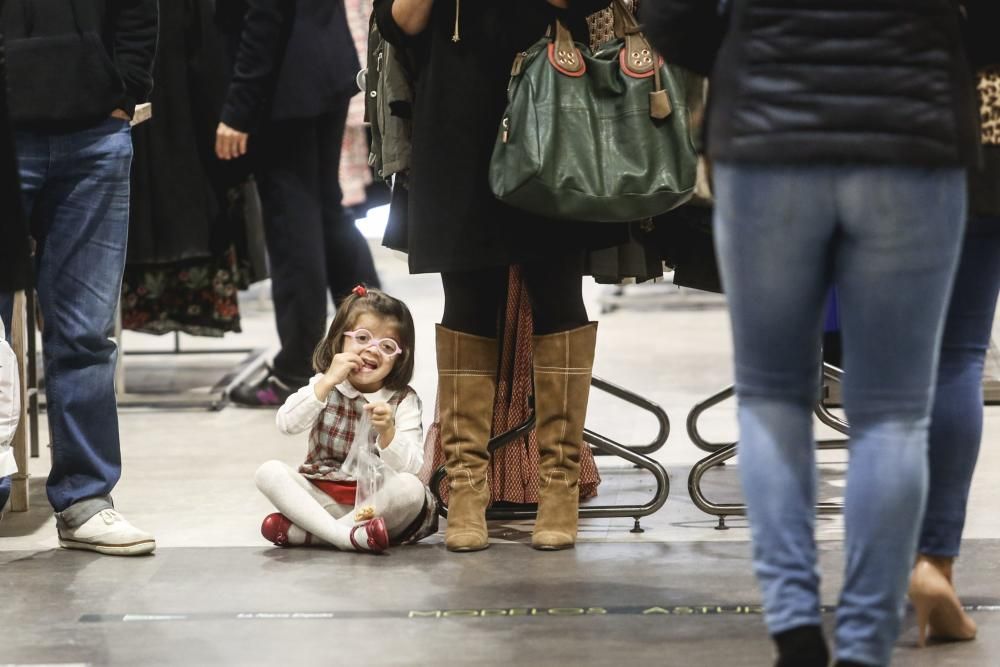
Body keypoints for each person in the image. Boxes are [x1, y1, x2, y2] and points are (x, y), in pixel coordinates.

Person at [643, 1, 978, 665]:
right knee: (892, 417)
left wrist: (749, 48)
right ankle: (862, 643)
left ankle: (795, 629)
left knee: (772, 399)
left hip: (768, 132)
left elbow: (671, 11)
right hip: (912, 130)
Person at [374, 0, 616, 553]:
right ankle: (465, 490)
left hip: (552, 106)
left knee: (557, 294)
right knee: (467, 300)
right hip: (455, 118)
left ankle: (559, 488)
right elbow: (400, 21)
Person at [0, 0, 158, 556]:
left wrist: (124, 91)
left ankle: (85, 497)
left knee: (84, 332)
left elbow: (139, 14)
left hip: (93, 136)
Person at [214, 0, 382, 407]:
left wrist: (239, 108)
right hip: (323, 66)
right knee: (324, 212)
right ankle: (378, 335)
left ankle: (296, 369)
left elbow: (264, 17)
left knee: (294, 228)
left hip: (287, 82)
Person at [909, 4, 1000, 646]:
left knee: (886, 365)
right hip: (987, 133)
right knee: (959, 355)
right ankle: (934, 561)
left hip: (890, 131)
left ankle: (881, 565)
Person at [255, 285, 437, 553]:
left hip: (376, 504)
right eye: (362, 338)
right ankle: (346, 537)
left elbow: (411, 467)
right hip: (322, 496)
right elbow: (286, 423)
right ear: (339, 341)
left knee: (412, 489)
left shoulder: (402, 400)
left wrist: (388, 432)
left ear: (400, 358)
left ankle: (313, 534)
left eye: (387, 346)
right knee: (268, 472)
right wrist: (327, 381)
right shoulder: (326, 386)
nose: (372, 350)